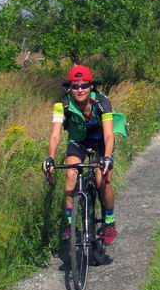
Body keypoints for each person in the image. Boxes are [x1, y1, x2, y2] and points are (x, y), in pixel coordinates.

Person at [43, 65, 119, 245]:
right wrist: (51, 157)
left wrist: (107, 158)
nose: (79, 89)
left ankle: (109, 221)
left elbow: (109, 135)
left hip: (101, 142)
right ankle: (69, 224)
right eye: (75, 86)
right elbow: (55, 135)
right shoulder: (62, 104)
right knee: (70, 175)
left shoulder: (102, 102)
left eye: (84, 85)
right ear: (69, 87)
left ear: (91, 86)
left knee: (102, 179)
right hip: (78, 142)